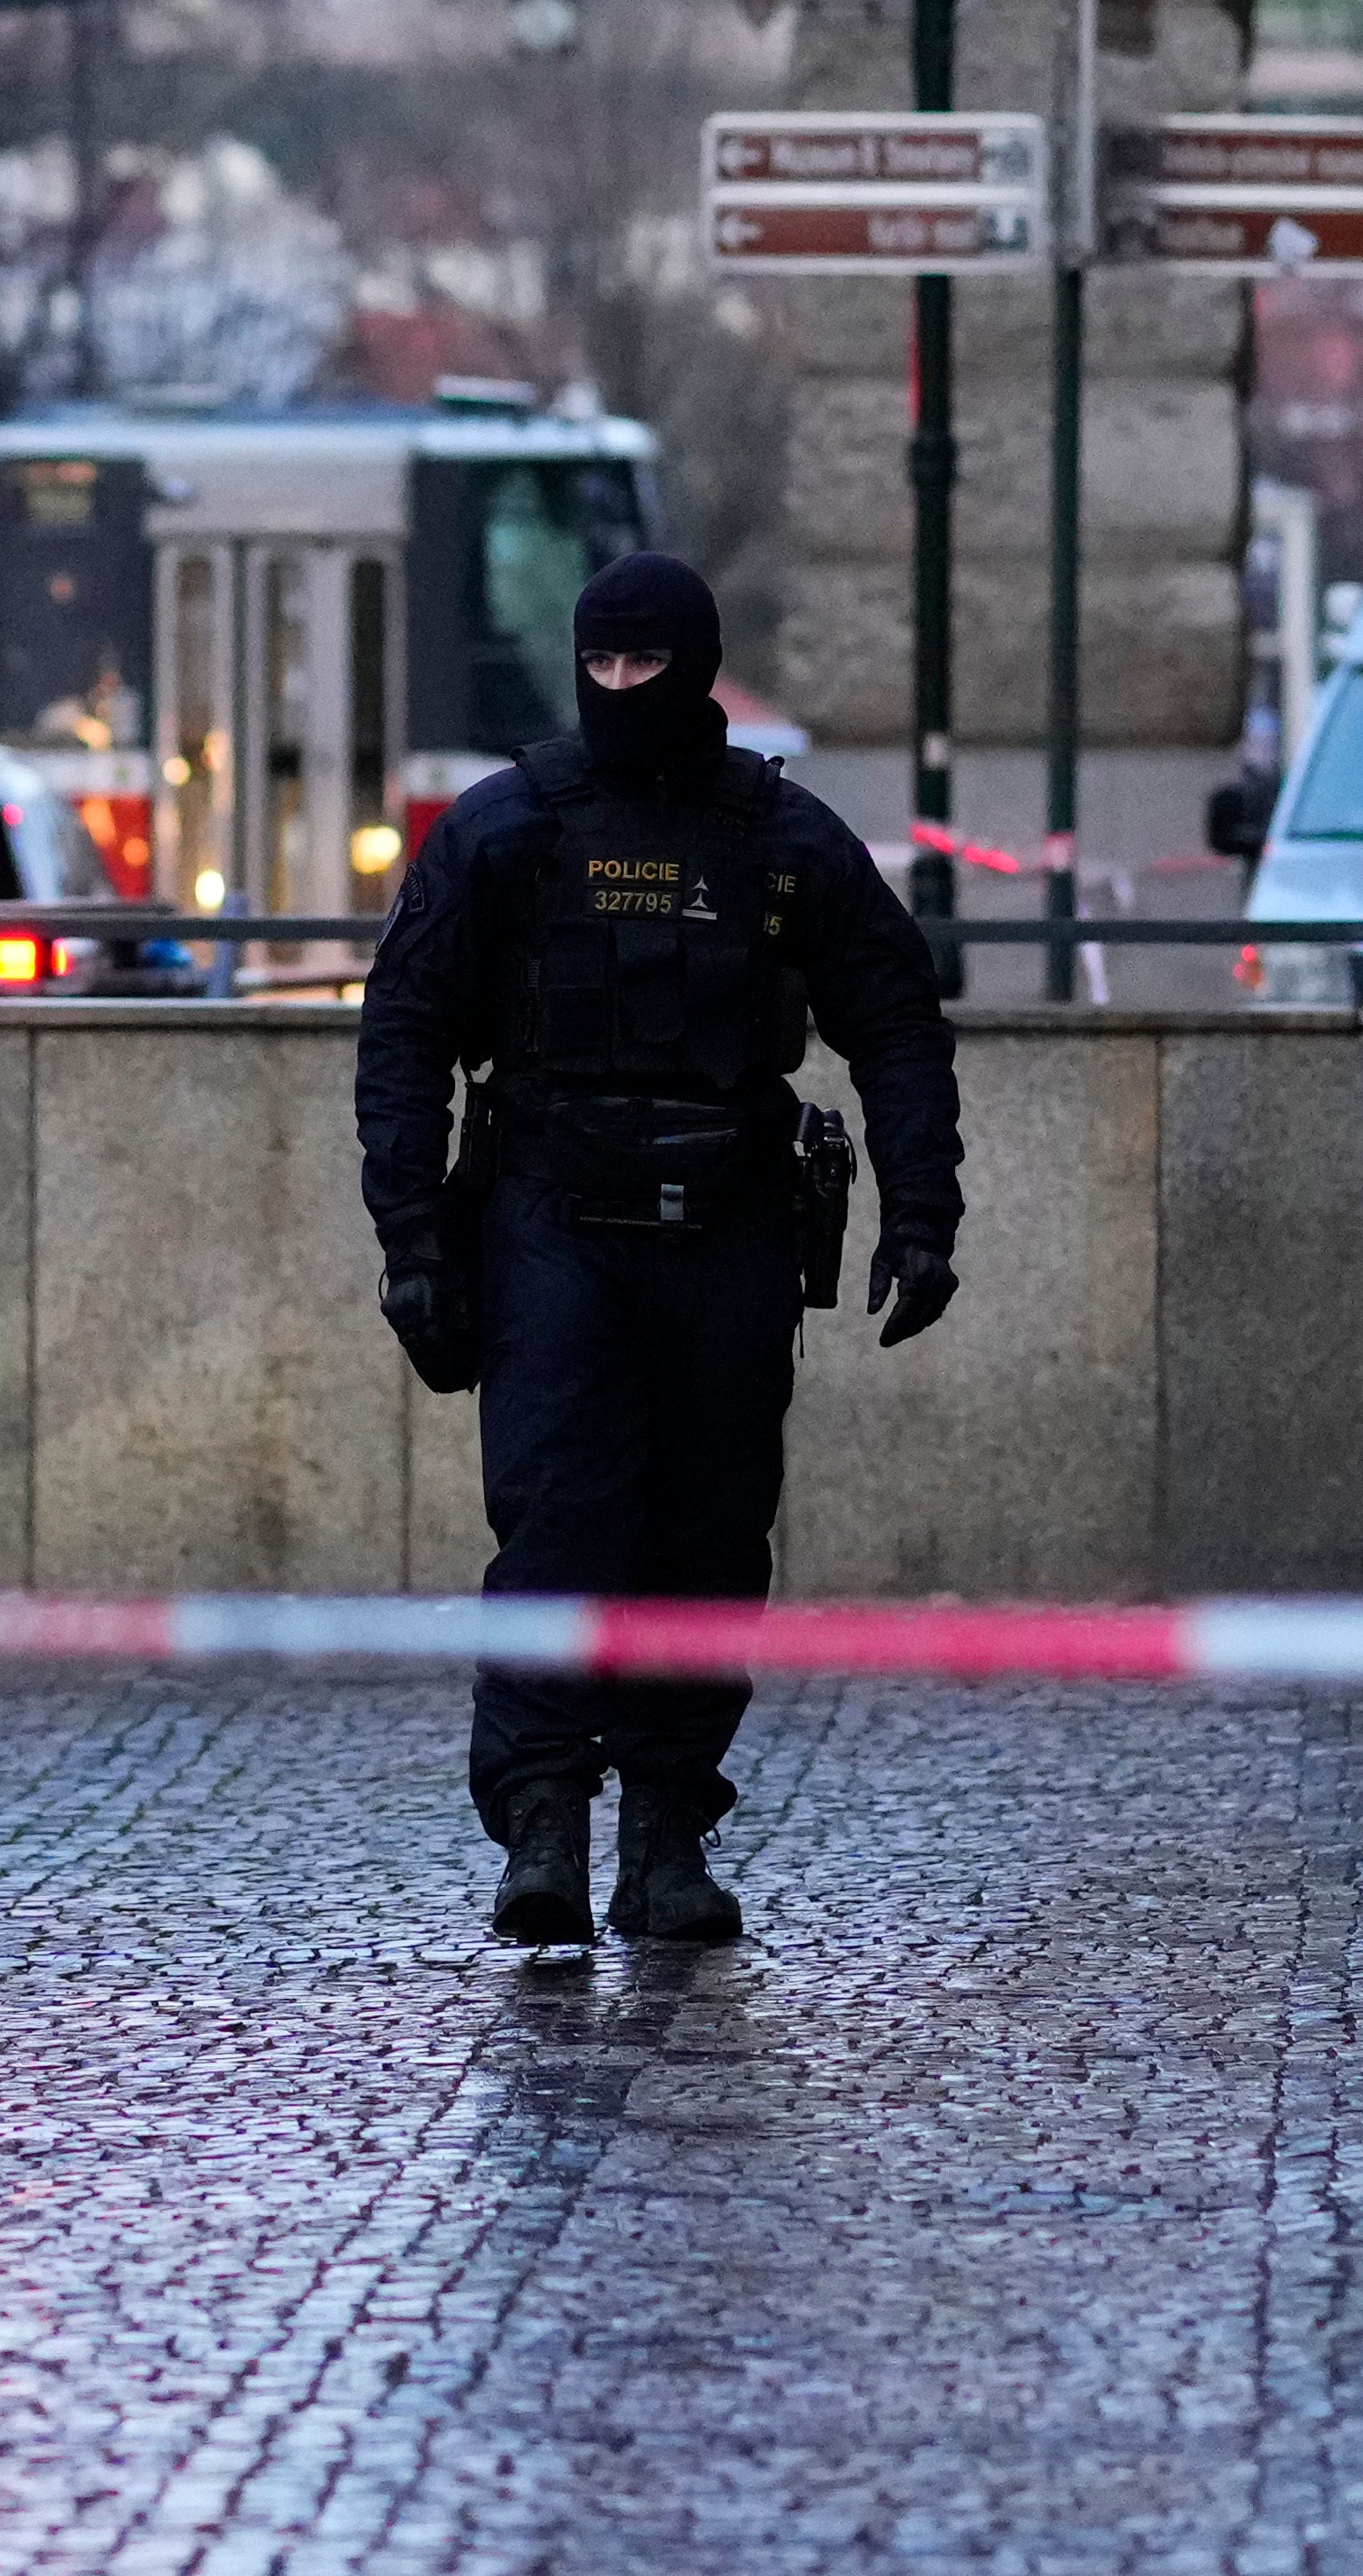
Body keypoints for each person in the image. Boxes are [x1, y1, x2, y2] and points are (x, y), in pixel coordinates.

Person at [354, 547, 962, 1951]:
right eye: (602, 661)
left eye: (647, 662)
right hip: (547, 1224)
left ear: (695, 667)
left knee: (706, 1541)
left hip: (728, 1230)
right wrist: (410, 1235)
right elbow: (405, 1034)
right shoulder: (505, 829)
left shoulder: (784, 841)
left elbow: (894, 1024)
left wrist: (923, 1214)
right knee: (557, 1529)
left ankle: (667, 1838)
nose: (622, 685)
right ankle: (544, 1827)